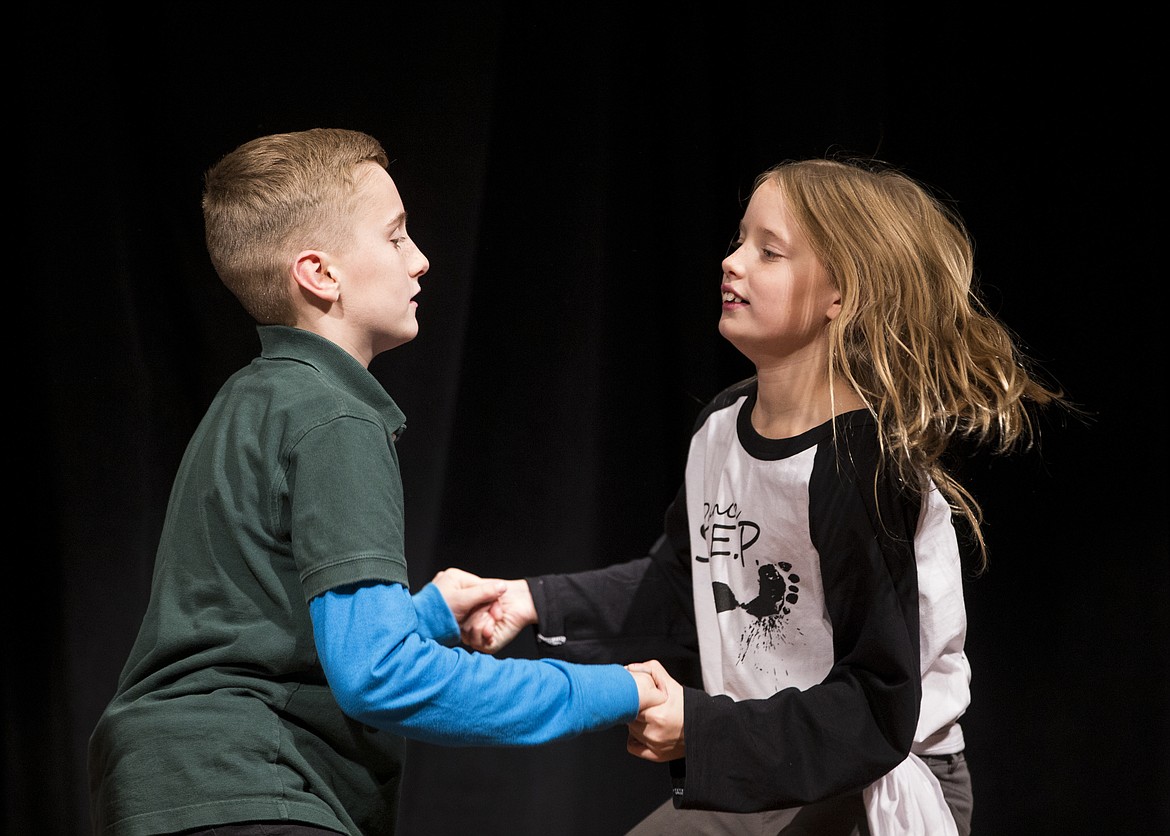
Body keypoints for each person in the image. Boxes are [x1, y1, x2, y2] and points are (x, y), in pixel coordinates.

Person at [460, 157, 1070, 835]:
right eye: (738, 240)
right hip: (773, 764)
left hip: (875, 778)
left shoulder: (860, 464)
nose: (733, 262)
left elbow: (876, 708)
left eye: (769, 252)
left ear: (841, 293)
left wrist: (705, 729)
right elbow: (679, 585)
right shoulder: (722, 427)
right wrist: (530, 599)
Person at [87, 127, 664, 836]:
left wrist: (423, 617)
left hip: (165, 785)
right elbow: (380, 678)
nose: (421, 260)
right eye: (395, 237)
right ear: (320, 274)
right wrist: (616, 688)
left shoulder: (254, 397)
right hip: (251, 786)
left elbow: (255, 629)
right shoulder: (334, 417)